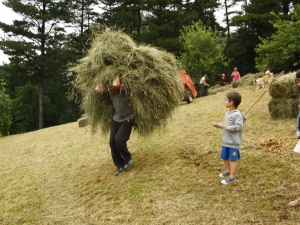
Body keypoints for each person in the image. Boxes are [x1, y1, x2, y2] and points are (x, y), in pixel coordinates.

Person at [95, 74, 134, 176]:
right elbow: (97, 88)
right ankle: (119, 165)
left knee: (119, 139)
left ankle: (128, 159)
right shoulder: (109, 88)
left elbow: (116, 84)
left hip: (128, 117)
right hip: (116, 118)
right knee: (112, 142)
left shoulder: (123, 86)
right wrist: (106, 86)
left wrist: (116, 74)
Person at [212, 91, 246, 185]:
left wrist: (228, 128)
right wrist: (218, 125)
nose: (224, 101)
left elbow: (239, 126)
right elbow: (225, 124)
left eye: (225, 100)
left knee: (233, 159)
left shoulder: (237, 114)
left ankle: (232, 176)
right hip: (226, 141)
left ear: (231, 102)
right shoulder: (228, 113)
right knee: (225, 157)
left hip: (233, 142)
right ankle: (228, 170)